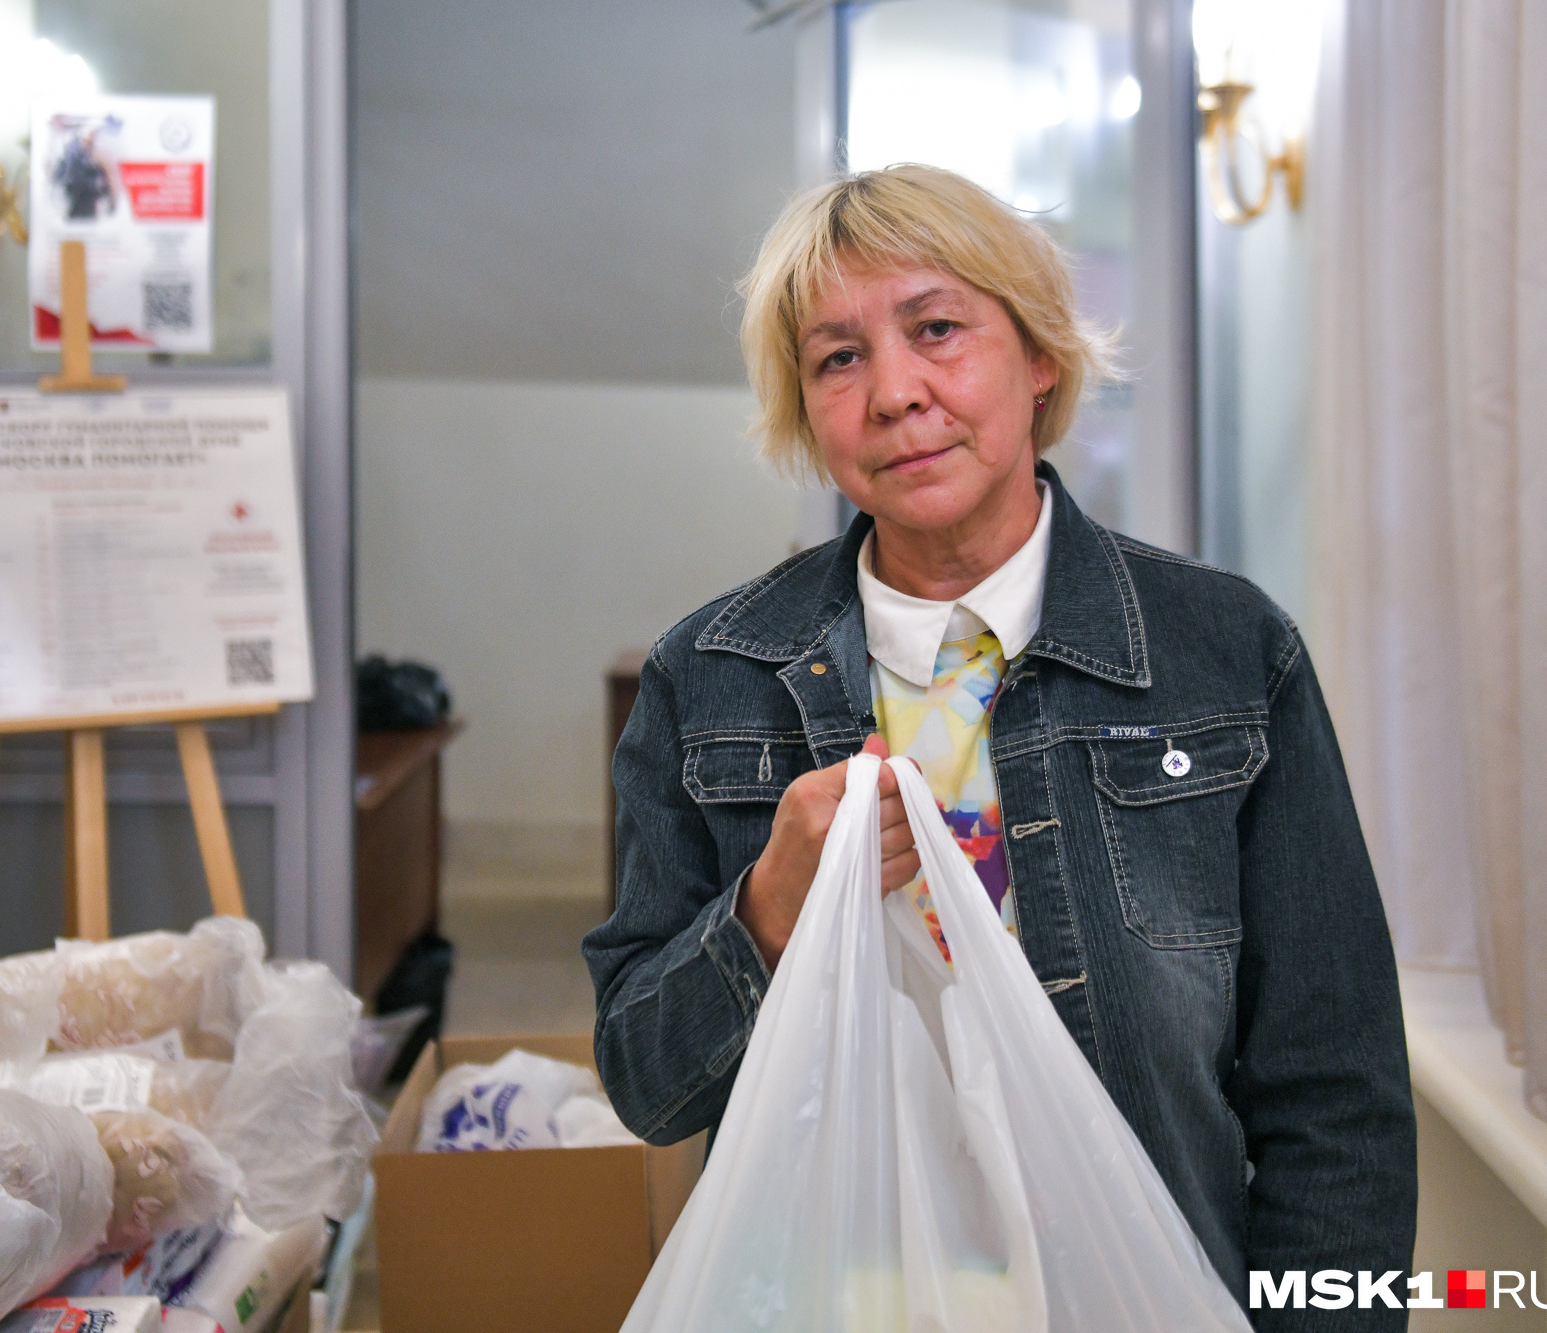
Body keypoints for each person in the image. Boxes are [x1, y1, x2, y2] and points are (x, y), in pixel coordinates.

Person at [583, 164, 1414, 1323]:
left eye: (935, 329)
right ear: (806, 412)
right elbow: (645, 1084)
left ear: (1038, 359)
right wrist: (766, 904)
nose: (893, 393)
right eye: (837, 358)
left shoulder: (1224, 654)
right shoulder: (710, 680)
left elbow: (1336, 1099)